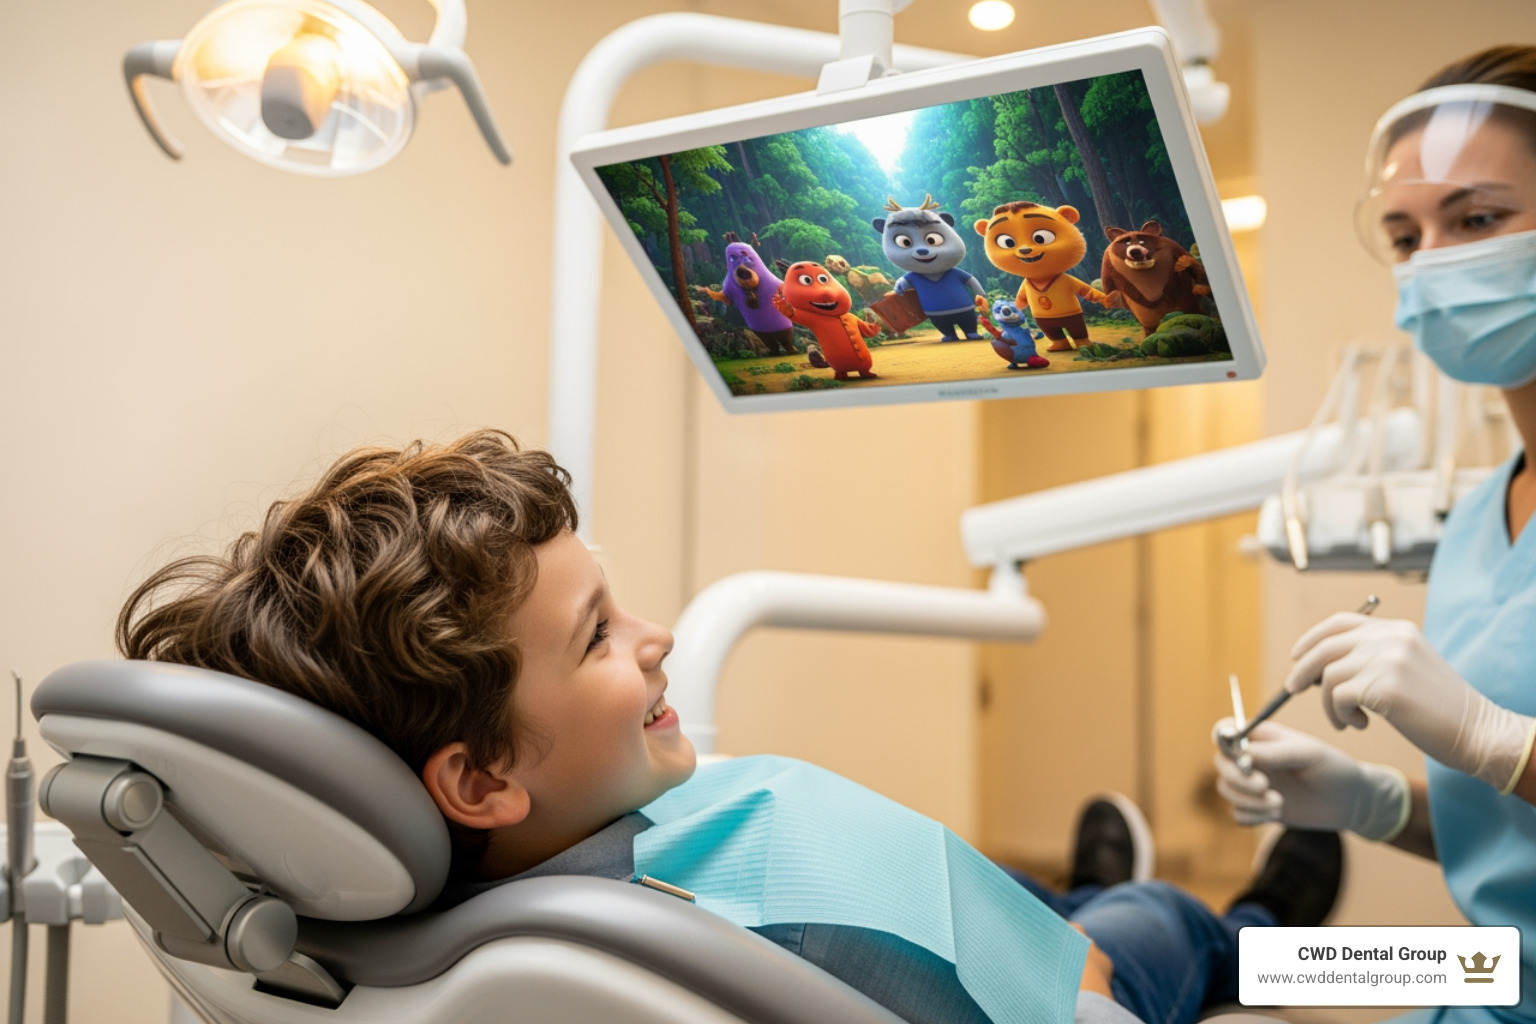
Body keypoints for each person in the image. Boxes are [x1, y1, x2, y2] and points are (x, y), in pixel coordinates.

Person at [118, 429, 1341, 1024]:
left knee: (1046, 884)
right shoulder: (750, 918)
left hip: (968, 907)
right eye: (597, 634)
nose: (652, 635)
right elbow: (1073, 999)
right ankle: (1293, 918)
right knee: (1178, 922)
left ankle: (1082, 877)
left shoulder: (437, 911)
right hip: (1074, 964)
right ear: (481, 776)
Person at [1214, 45, 1536, 1024]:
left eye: (1478, 220)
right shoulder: (1486, 515)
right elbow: (1506, 842)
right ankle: (1243, 931)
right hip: (1489, 979)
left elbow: (1504, 762)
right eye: (1404, 235)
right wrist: (1373, 804)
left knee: (1174, 968)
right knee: (1243, 981)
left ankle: (1237, 929)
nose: (1433, 261)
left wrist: (1497, 740)